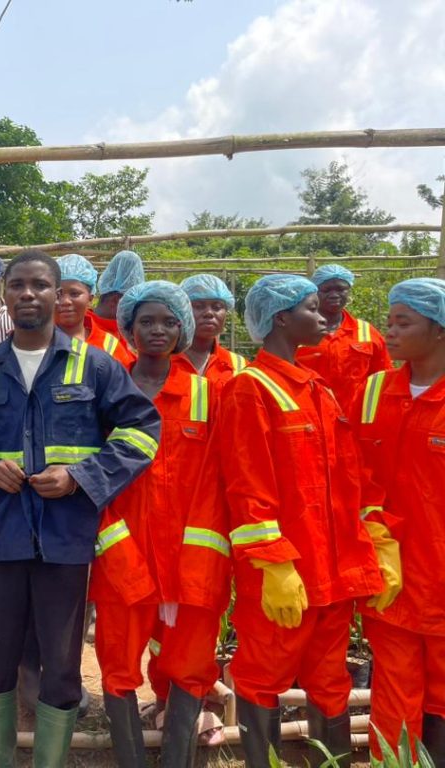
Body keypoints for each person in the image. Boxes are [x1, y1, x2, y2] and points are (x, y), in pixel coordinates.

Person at [0, 250, 161, 767]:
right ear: (4, 294)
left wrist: (81, 477)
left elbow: (143, 431)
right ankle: (0, 759)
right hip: (0, 537)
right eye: (17, 285)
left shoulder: (94, 365)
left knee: (63, 662)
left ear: (57, 293)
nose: (27, 294)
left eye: (39, 285)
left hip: (66, 539)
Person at [218, 274, 390, 768]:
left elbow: (349, 478)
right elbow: (248, 487)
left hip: (334, 577)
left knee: (331, 679)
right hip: (286, 577)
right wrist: (274, 565)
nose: (324, 318)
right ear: (281, 319)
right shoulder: (249, 389)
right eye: (312, 309)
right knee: (261, 677)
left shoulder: (319, 391)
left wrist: (374, 536)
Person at [89, 281, 224, 768]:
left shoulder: (208, 395)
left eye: (169, 321)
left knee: (189, 666)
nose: (158, 330)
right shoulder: (104, 393)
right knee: (118, 663)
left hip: (192, 558)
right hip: (123, 552)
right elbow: (90, 474)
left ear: (183, 328)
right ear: (128, 328)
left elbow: (220, 481)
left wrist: (204, 557)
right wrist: (112, 546)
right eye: (146, 321)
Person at [353, 278, 443, 761]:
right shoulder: (372, 392)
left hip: (441, 579)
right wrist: (370, 525)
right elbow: (349, 470)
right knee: (394, 698)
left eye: (402, 323)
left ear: (440, 329)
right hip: (391, 578)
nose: (389, 332)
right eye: (388, 322)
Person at [296, 264, 391, 413]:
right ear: (315, 293)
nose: (334, 295)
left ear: (349, 291)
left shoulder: (367, 332)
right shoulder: (298, 332)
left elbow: (384, 380)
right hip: (311, 419)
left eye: (341, 289)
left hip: (355, 422)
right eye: (326, 290)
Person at [54, 253, 133, 364]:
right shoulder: (32, 342)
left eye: (74, 294)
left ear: (90, 298)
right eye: (58, 294)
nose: (65, 301)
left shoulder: (110, 346)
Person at [177, 274, 248, 386]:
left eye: (217, 307)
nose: (209, 313)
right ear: (182, 311)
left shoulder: (239, 366)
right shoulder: (161, 362)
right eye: (198, 306)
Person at [93, 250, 145, 358]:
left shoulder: (121, 332)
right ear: (115, 300)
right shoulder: (93, 336)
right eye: (130, 305)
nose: (132, 313)